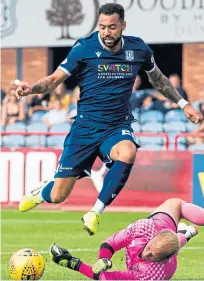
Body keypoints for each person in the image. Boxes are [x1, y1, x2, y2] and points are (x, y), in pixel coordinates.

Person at [16, 3, 203, 235]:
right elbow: (54, 80)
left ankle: (95, 211)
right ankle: (43, 191)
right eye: (102, 27)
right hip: (84, 129)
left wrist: (184, 104)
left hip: (117, 126)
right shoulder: (83, 48)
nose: (106, 32)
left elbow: (159, 81)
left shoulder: (139, 49)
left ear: (123, 25)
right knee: (58, 195)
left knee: (128, 151)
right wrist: (30, 89)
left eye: (112, 27)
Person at [49, 198, 204, 280]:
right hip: (164, 219)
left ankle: (185, 233)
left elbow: (106, 278)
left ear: (163, 259)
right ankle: (186, 232)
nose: (146, 255)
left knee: (178, 241)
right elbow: (111, 242)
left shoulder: (152, 275)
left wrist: (73, 263)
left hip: (169, 250)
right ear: (152, 237)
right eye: (149, 249)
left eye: (153, 256)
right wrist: (103, 258)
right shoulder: (144, 228)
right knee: (179, 207)